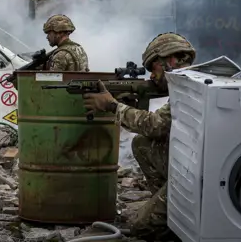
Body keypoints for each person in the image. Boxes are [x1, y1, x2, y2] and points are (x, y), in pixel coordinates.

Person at [81, 33, 196, 240]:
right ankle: (168, 207)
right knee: (142, 144)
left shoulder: (191, 87)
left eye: (154, 68)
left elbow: (156, 126)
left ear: (168, 60)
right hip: (194, 165)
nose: (151, 75)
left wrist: (112, 106)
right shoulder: (194, 81)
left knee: (140, 227)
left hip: (196, 177)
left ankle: (175, 212)